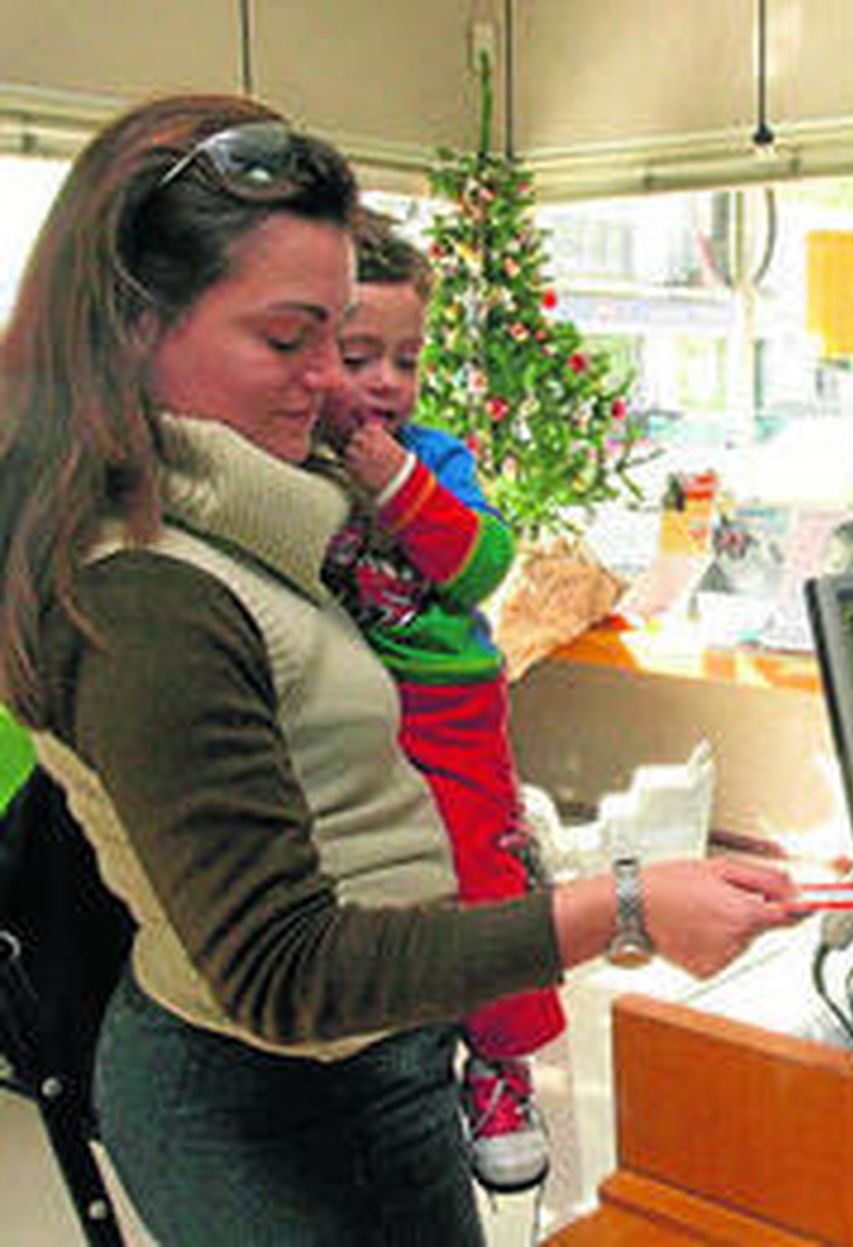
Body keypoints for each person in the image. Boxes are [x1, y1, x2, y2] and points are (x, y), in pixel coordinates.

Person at [0, 93, 799, 1246]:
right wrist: (618, 903)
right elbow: (284, 967)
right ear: (133, 324)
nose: (332, 380)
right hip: (271, 1098)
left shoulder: (243, 523)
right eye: (288, 339)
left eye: (343, 335)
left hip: (378, 1052)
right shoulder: (144, 588)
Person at [317, 209, 564, 1193]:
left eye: (405, 359)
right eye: (357, 354)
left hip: (448, 703)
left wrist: (397, 482)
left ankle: (502, 1064)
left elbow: (481, 566)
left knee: (486, 874)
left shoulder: (434, 455)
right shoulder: (289, 461)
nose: (386, 381)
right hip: (344, 702)